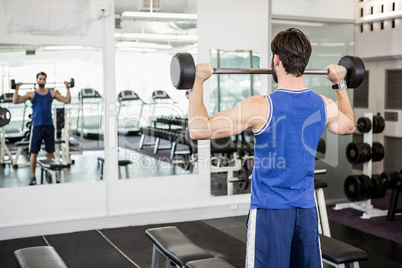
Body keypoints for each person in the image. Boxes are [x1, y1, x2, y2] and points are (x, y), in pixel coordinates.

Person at [187, 28, 355, 268]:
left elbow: (199, 129)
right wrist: (340, 85)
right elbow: (348, 126)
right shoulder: (323, 104)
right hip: (306, 211)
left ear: (275, 59)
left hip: (270, 212)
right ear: (305, 61)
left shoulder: (260, 106)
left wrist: (198, 83)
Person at [12, 72, 71, 185]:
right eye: (40, 79)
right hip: (37, 127)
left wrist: (67, 88)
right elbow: (15, 101)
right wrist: (16, 89)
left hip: (49, 127)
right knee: (34, 153)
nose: (42, 81)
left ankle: (52, 176)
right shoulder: (31, 94)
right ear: (37, 80)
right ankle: (33, 177)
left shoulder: (52, 93)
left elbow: (67, 100)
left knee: (51, 153)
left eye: (44, 79)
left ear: (46, 81)